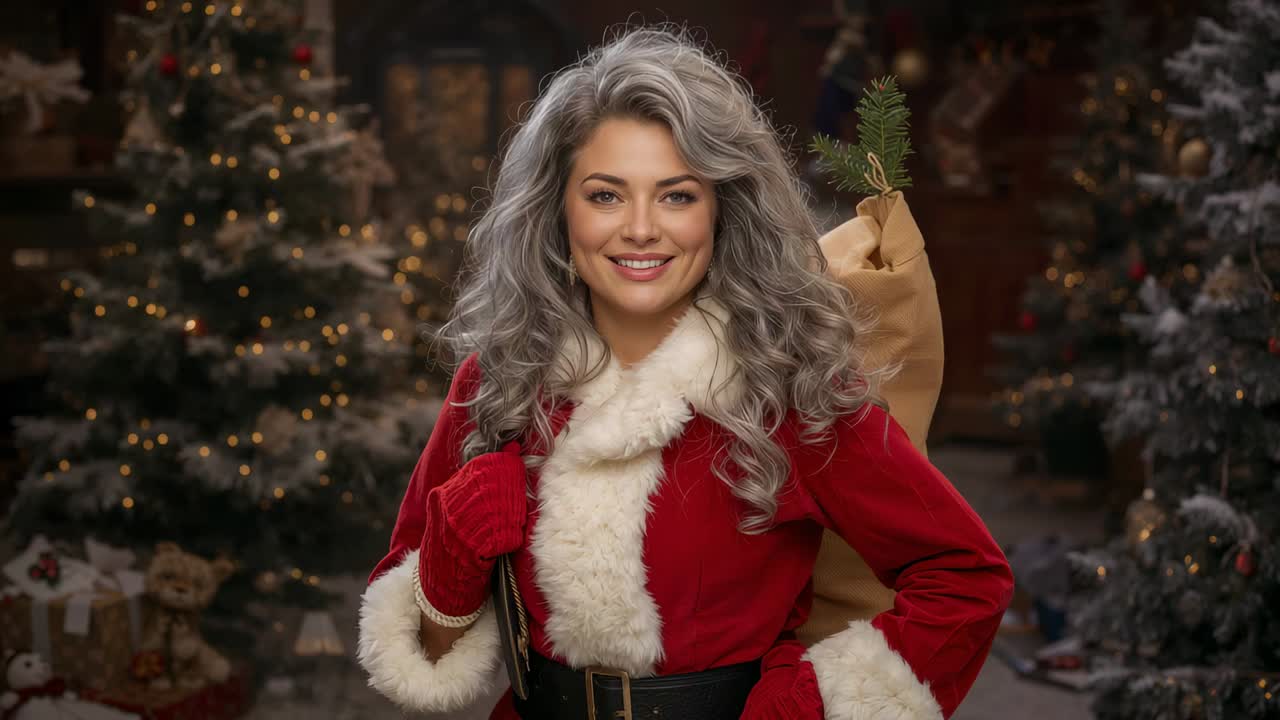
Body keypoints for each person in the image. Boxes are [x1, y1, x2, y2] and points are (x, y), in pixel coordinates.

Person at [356, 26, 1012, 720]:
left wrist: (808, 705)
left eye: (676, 196)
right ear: (556, 209)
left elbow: (966, 577)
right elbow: (411, 653)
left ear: (723, 210)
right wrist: (449, 570)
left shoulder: (789, 389)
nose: (641, 228)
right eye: (605, 195)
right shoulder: (499, 379)